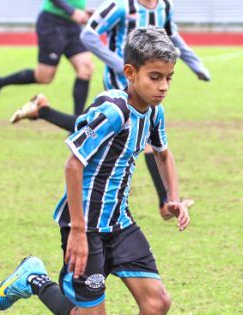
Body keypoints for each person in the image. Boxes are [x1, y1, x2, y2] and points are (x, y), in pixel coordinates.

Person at [0, 27, 189, 315]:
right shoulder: (111, 110)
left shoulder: (154, 111)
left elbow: (164, 153)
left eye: (169, 78)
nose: (164, 86)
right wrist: (79, 232)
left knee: (157, 303)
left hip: (119, 222)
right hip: (84, 225)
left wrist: (172, 197)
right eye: (156, 77)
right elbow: (73, 164)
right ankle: (33, 278)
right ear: (131, 73)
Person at [10, 0, 208, 220]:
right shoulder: (120, 6)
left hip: (146, 82)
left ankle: (43, 110)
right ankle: (160, 203)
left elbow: (172, 38)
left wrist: (195, 63)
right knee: (119, 133)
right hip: (121, 82)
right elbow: (89, 35)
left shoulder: (165, 6)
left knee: (102, 128)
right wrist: (117, 63)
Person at [0, 0, 93, 114]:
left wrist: (80, 11)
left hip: (72, 24)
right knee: (44, 77)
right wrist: (72, 11)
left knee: (85, 68)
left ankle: (77, 124)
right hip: (53, 22)